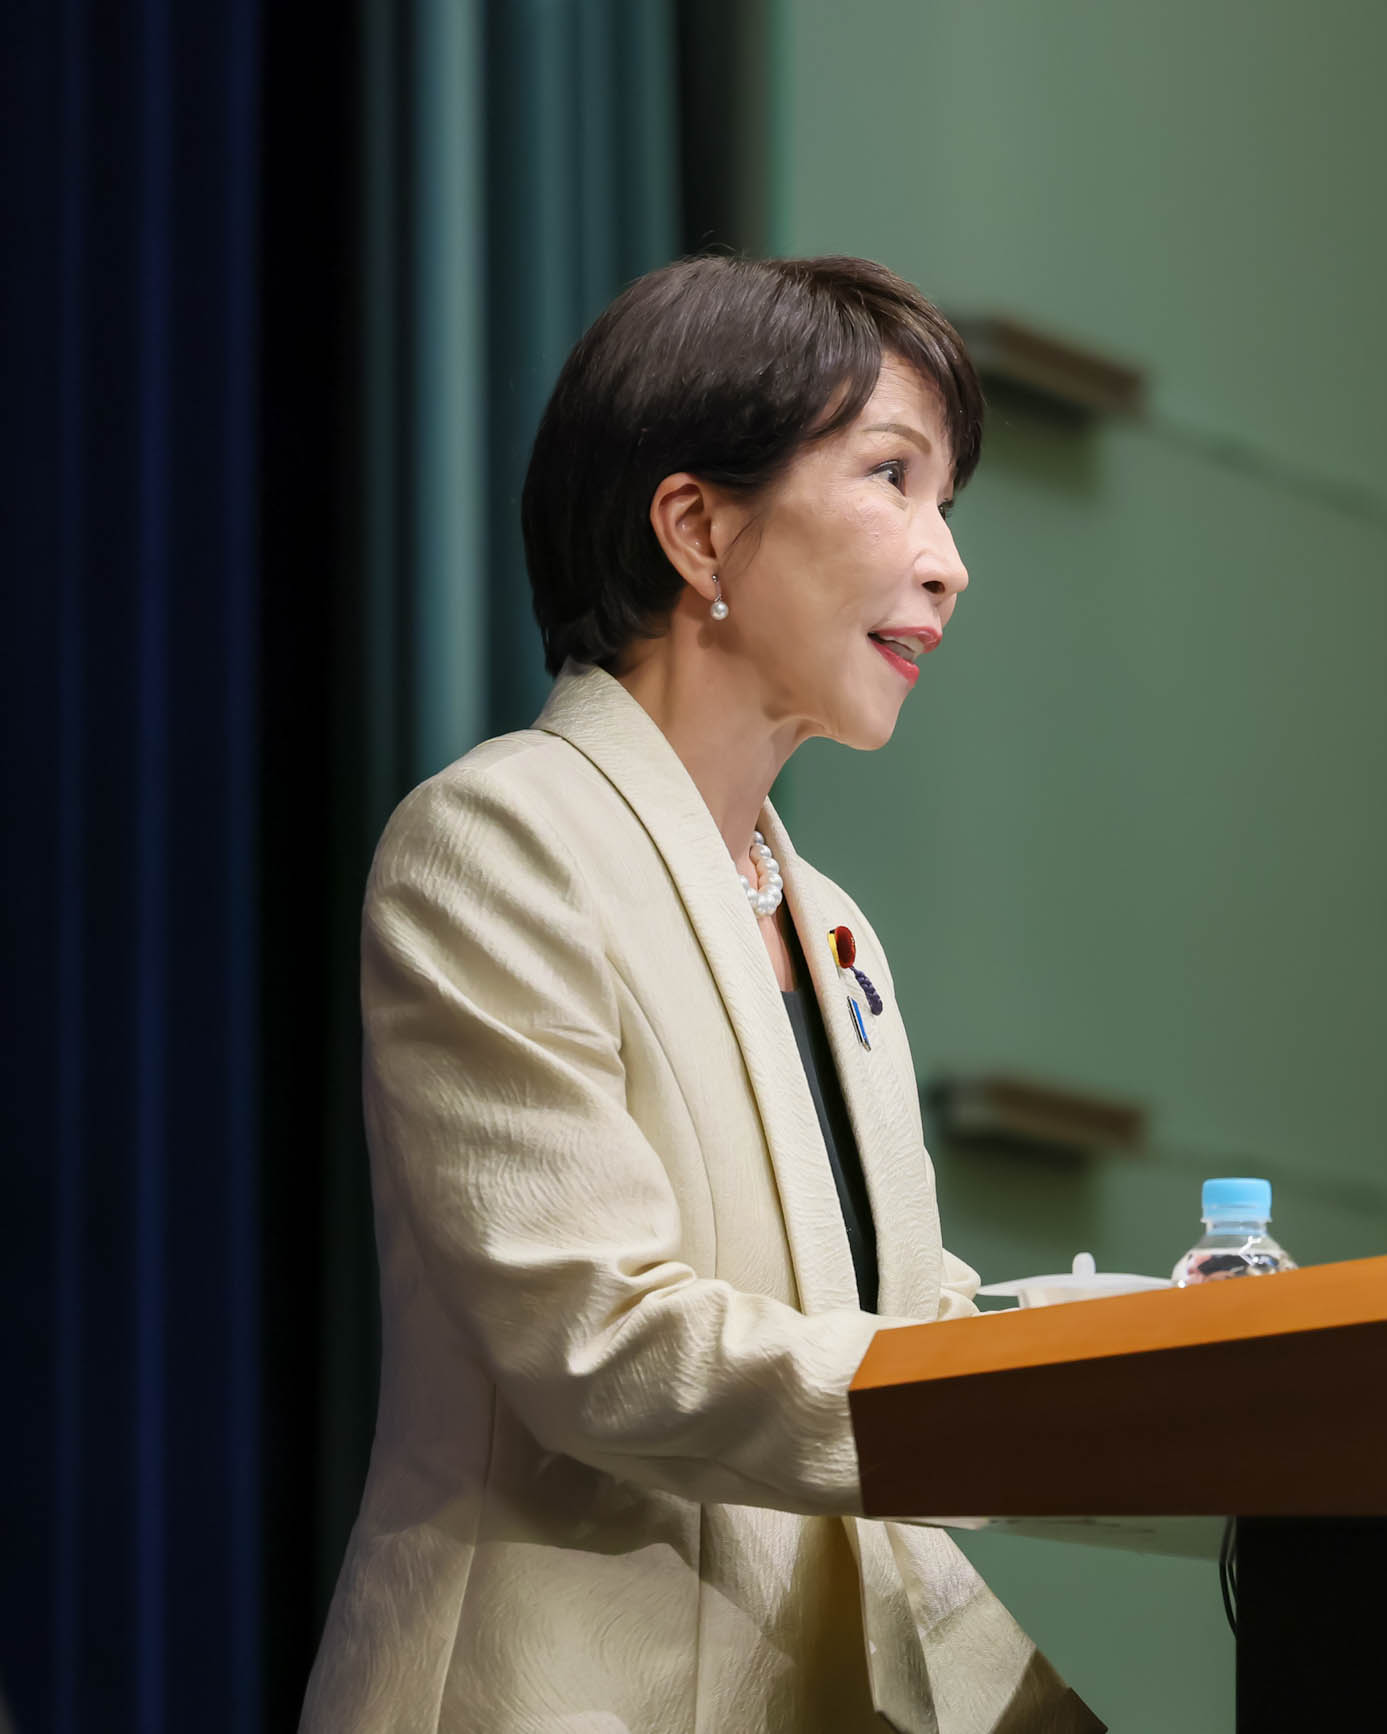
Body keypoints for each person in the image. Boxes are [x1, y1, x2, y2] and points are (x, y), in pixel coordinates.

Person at [300, 256, 1099, 1734]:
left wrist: (1129, 1348)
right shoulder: (498, 840)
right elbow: (599, 1336)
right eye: (893, 478)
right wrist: (1003, 1402)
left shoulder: (832, 923)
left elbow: (895, 1318)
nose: (948, 560)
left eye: (950, 504)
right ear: (697, 526)